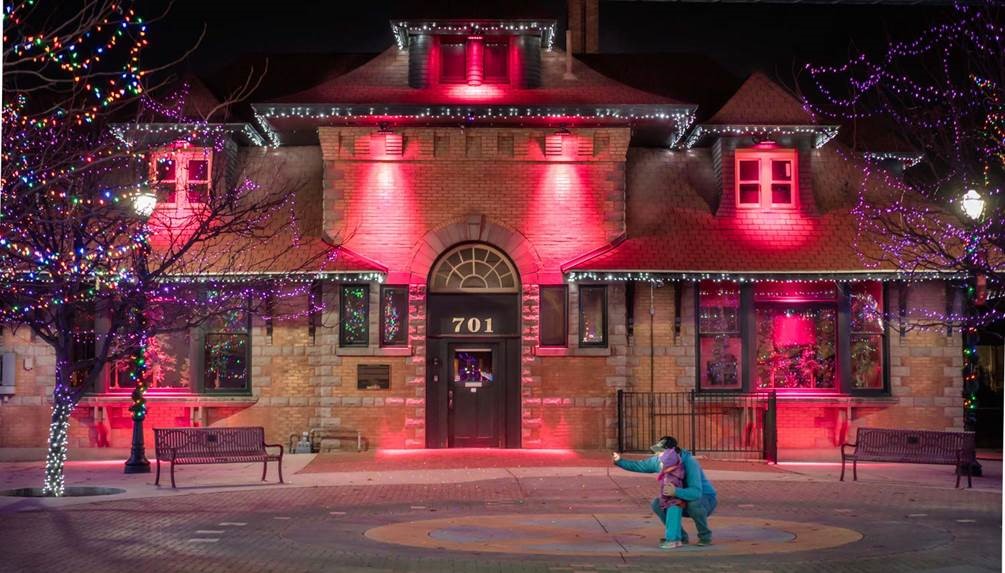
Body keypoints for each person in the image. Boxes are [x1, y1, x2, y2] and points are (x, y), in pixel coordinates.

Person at [612, 436, 717, 546]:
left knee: (693, 503)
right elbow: (640, 465)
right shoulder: (659, 461)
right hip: (679, 497)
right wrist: (619, 461)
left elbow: (696, 492)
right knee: (658, 503)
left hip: (705, 500)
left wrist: (676, 492)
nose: (658, 455)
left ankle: (705, 536)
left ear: (672, 452)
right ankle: (679, 537)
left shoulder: (689, 463)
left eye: (662, 451)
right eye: (658, 451)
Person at [655, 448, 687, 549]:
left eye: (663, 464)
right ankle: (677, 540)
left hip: (672, 502)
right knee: (675, 522)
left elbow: (668, 491)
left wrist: (664, 499)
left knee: (671, 522)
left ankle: (671, 540)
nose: (661, 466)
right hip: (675, 502)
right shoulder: (674, 473)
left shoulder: (671, 476)